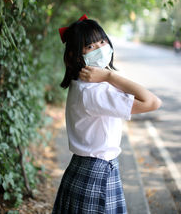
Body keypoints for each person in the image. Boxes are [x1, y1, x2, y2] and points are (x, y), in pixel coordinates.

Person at [52, 14, 162, 214]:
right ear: (75, 56)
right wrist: (110, 75)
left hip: (81, 169)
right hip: (98, 173)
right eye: (91, 46)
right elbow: (152, 102)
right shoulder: (96, 92)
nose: (101, 48)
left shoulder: (81, 84)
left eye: (102, 41)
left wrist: (106, 77)